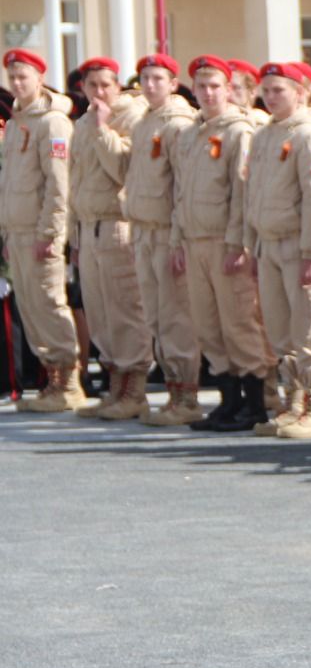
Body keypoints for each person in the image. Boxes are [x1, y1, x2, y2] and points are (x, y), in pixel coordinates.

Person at [171, 56, 273, 432]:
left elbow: (240, 194)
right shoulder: (190, 133)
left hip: (224, 243)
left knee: (238, 322)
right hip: (195, 240)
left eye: (216, 86)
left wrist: (236, 244)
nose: (208, 93)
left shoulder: (238, 131)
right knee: (208, 325)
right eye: (202, 86)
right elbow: (180, 193)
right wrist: (176, 240)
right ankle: (228, 401)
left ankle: (255, 402)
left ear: (229, 90)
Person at [243, 62, 311, 439]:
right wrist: (253, 245)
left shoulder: (309, 136)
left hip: (298, 247)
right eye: (266, 89)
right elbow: (252, 194)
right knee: (281, 329)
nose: (270, 96)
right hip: (269, 244)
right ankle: (293, 402)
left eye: (279, 89)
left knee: (309, 326)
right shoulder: (265, 136)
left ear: (300, 92)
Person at [68, 58, 152, 420]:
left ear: (118, 86)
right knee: (100, 312)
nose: (99, 92)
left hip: (118, 225)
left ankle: (135, 388)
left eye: (105, 85)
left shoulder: (130, 118)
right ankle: (115, 381)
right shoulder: (82, 123)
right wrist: (73, 236)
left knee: (125, 309)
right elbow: (75, 180)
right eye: (92, 86)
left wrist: (104, 130)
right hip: (89, 228)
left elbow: (123, 171)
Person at [0, 49, 84, 411]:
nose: (17, 84)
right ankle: (51, 378)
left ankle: (68, 381)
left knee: (49, 302)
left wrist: (50, 233)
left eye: (24, 77)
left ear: (39, 78)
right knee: (31, 306)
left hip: (38, 232)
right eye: (13, 77)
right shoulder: (20, 121)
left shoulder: (52, 122)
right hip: (16, 232)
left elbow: (58, 184)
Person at [125, 54, 203, 425]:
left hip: (167, 233)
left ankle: (187, 396)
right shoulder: (144, 124)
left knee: (176, 316)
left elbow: (183, 188)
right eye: (145, 78)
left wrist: (177, 239)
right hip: (143, 230)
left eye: (158, 78)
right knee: (155, 316)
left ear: (173, 84)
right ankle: (172, 390)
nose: (150, 84)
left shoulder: (178, 124)